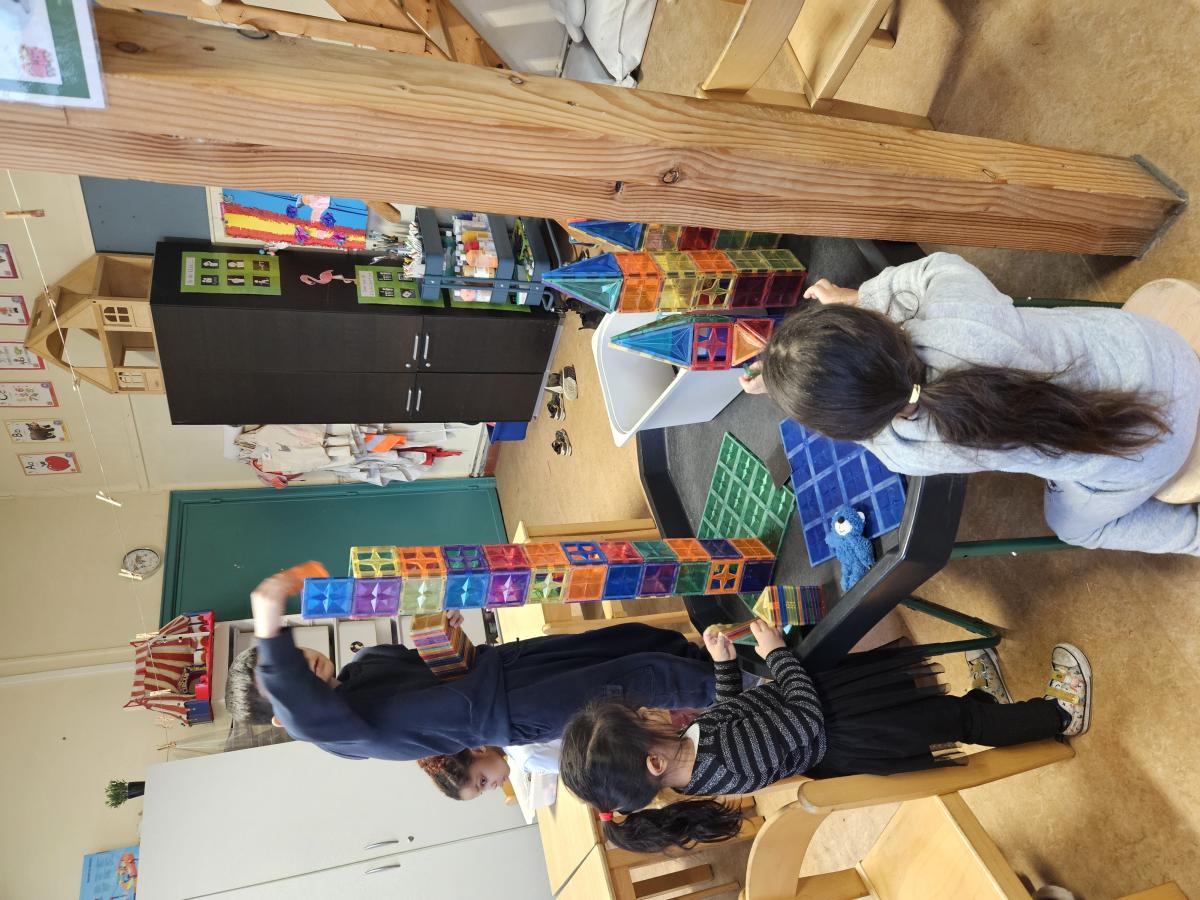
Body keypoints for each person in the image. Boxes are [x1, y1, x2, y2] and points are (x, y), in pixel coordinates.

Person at [741, 253, 1200, 555]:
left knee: (1073, 528)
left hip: (1152, 450)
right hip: (1159, 349)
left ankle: (1193, 538)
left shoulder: (906, 450)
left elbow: (862, 414)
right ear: (873, 325)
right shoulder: (955, 306)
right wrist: (856, 297)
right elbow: (936, 268)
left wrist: (793, 390)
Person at [559, 620, 1091, 853]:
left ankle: (992, 701)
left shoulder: (688, 762)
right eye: (642, 719)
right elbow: (802, 719)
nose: (650, 711)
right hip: (843, 728)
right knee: (956, 722)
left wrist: (724, 667)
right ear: (653, 763)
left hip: (830, 718)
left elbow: (727, 716)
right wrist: (777, 656)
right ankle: (1058, 715)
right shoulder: (725, 761)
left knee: (945, 714)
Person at [225, 568, 716, 761]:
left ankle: (724, 656)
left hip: (506, 665)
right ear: (283, 715)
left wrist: (445, 634)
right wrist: (267, 626)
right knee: (639, 678)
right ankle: (745, 681)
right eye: (283, 674)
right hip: (513, 708)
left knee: (628, 643)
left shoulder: (363, 663)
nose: (301, 661)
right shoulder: (336, 735)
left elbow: (440, 669)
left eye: (293, 653)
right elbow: (302, 709)